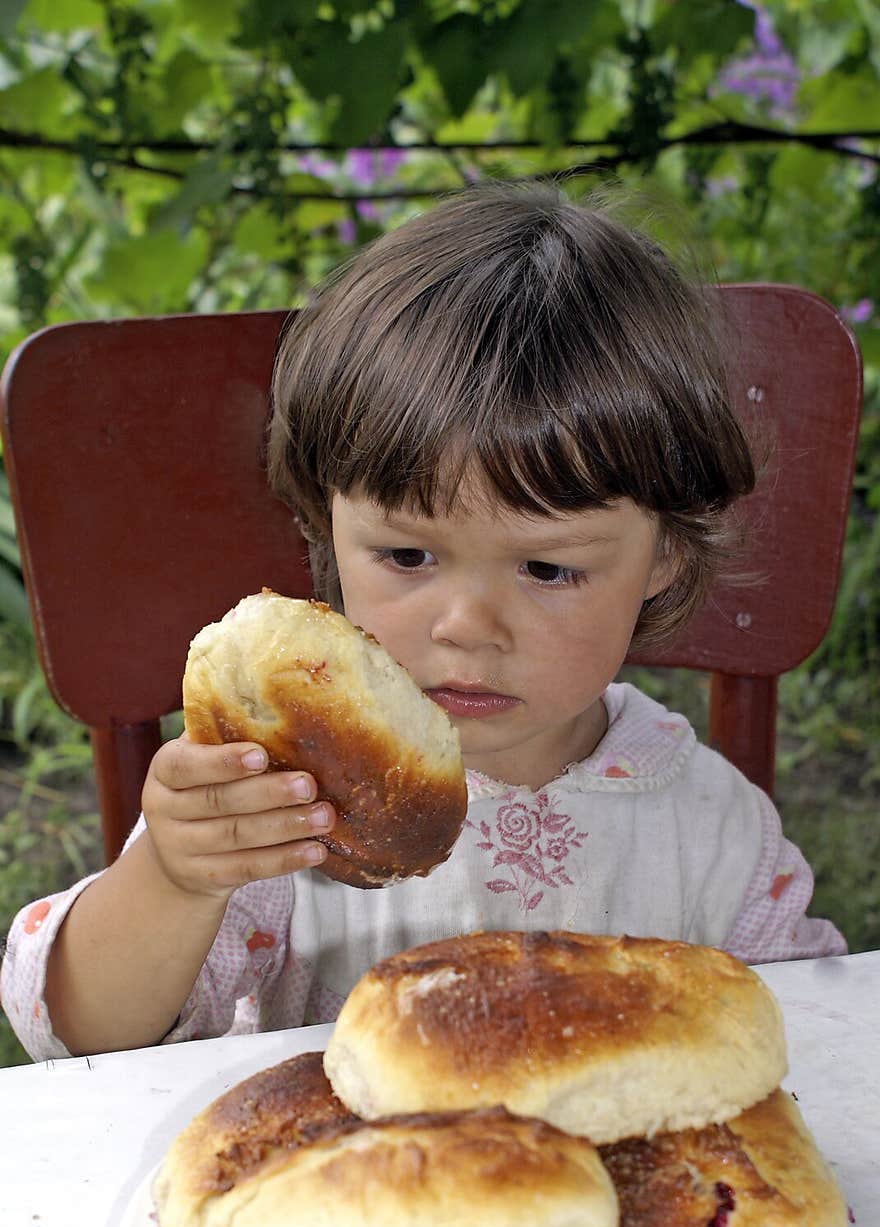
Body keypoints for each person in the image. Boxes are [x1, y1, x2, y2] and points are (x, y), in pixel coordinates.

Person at [0, 181, 846, 1062]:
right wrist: (176, 880)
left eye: (549, 567)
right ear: (327, 522)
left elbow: (808, 1048)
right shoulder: (284, 801)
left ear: (664, 556)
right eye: (407, 557)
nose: (466, 628)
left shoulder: (710, 829)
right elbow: (74, 1037)